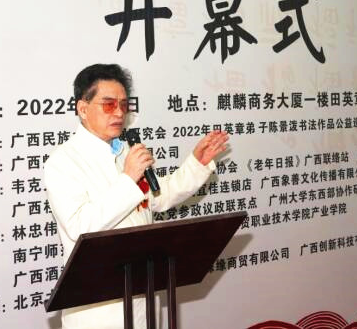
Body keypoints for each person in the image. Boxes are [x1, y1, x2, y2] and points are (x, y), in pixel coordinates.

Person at [44, 63, 228, 329]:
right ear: (83, 109)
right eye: (109, 105)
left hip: (143, 294)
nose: (119, 113)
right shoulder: (63, 161)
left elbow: (159, 196)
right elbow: (79, 225)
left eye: (123, 105)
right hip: (98, 309)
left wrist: (196, 163)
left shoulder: (124, 152)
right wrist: (128, 179)